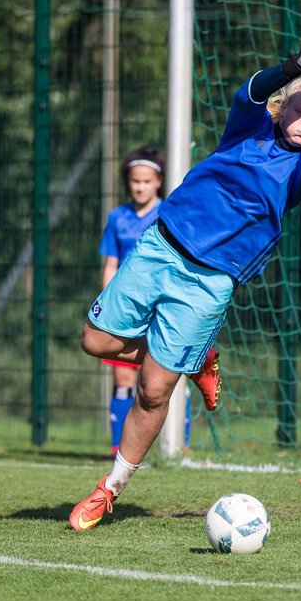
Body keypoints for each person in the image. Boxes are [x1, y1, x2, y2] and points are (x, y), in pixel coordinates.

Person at [70, 21, 301, 531]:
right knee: (95, 341)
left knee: (152, 391)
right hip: (161, 247)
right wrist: (297, 68)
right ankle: (196, 358)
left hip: (209, 282)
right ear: (281, 109)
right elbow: (250, 93)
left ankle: (108, 490)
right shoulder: (247, 130)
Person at [97, 145, 186, 456]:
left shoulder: (167, 214)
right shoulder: (117, 218)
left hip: (159, 304)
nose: (140, 186)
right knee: (123, 375)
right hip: (125, 306)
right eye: (135, 181)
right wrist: (108, 301)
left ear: (158, 181)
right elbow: (110, 264)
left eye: (146, 181)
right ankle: (119, 445)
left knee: (164, 371)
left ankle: (179, 444)